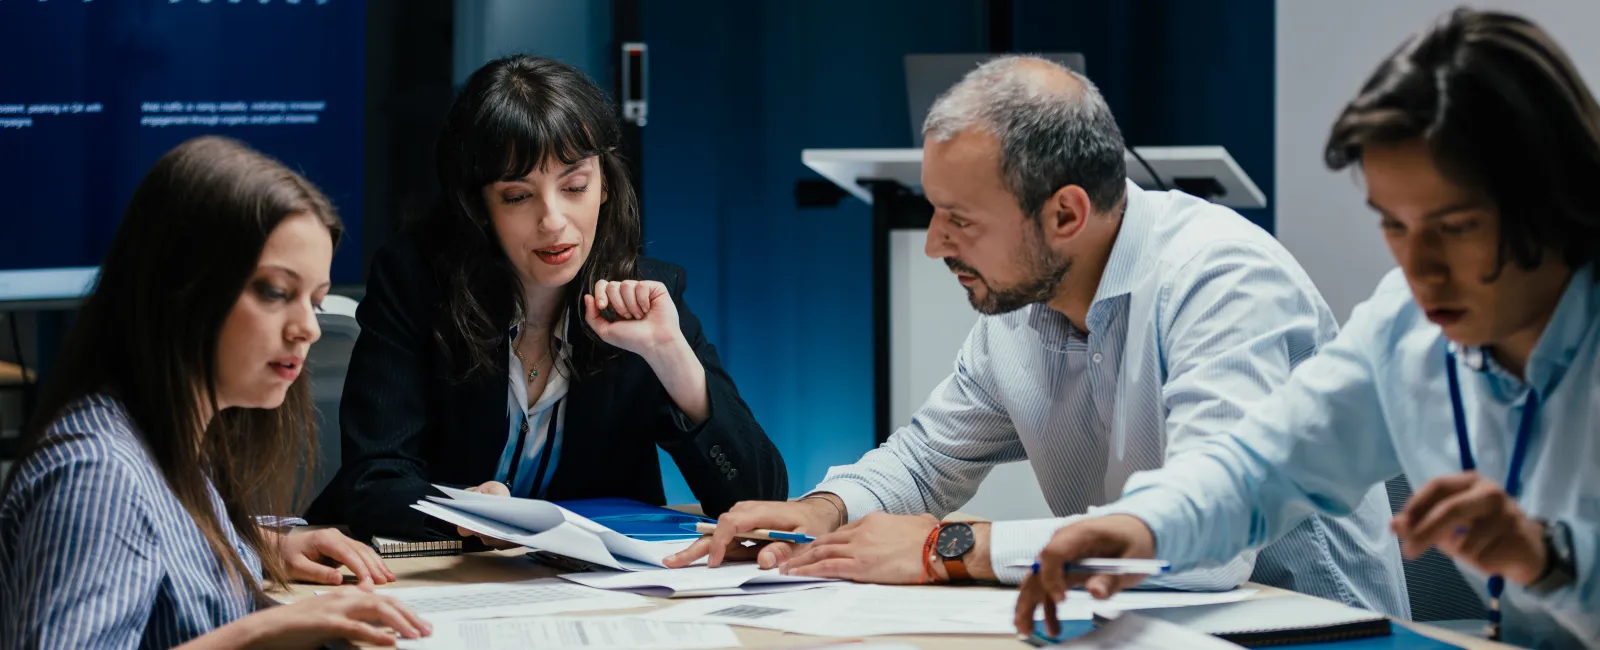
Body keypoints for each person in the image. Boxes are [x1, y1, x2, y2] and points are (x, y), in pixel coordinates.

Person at [667, 56, 1408, 616]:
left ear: (1065, 215)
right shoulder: (1025, 305)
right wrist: (823, 511)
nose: (933, 245)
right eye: (934, 211)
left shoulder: (1223, 281)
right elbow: (927, 460)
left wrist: (943, 548)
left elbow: (1204, 546)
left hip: (1308, 627)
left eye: (960, 219)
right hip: (1143, 619)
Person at [1017, 9, 1600, 648]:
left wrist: (1554, 560)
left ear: (1555, 196)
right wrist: (1142, 524)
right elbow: (1265, 463)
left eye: (1457, 227)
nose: (1420, 269)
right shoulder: (1407, 327)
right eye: (1395, 226)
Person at [307, 55, 787, 544]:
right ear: (478, 206)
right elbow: (372, 481)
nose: (554, 220)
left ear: (603, 185)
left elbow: (759, 500)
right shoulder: (415, 283)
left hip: (587, 593)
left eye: (575, 186)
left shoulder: (646, 296)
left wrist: (672, 358)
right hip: (445, 578)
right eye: (518, 196)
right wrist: (464, 514)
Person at [0, 136, 430, 648]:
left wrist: (267, 541)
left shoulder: (171, 438)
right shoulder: (99, 474)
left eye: (314, 301)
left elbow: (159, 540)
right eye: (275, 292)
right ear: (181, 288)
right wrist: (264, 629)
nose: (307, 329)